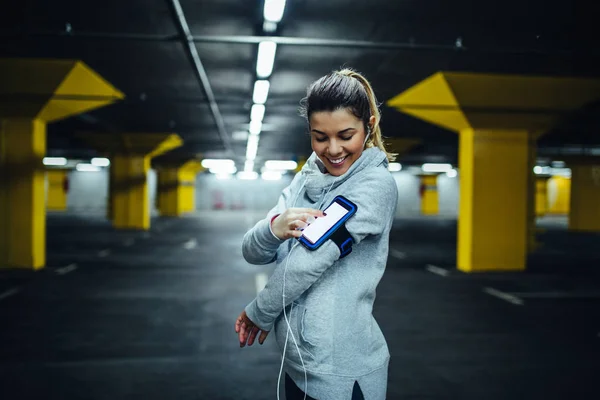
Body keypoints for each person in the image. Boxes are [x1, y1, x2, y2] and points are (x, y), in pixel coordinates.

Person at [235, 68, 398, 400]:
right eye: (320, 137)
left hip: (341, 374)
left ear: (369, 127)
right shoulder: (307, 178)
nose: (333, 149)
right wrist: (273, 229)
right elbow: (252, 251)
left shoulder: (373, 186)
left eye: (345, 135)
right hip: (300, 365)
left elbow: (311, 259)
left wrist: (260, 312)